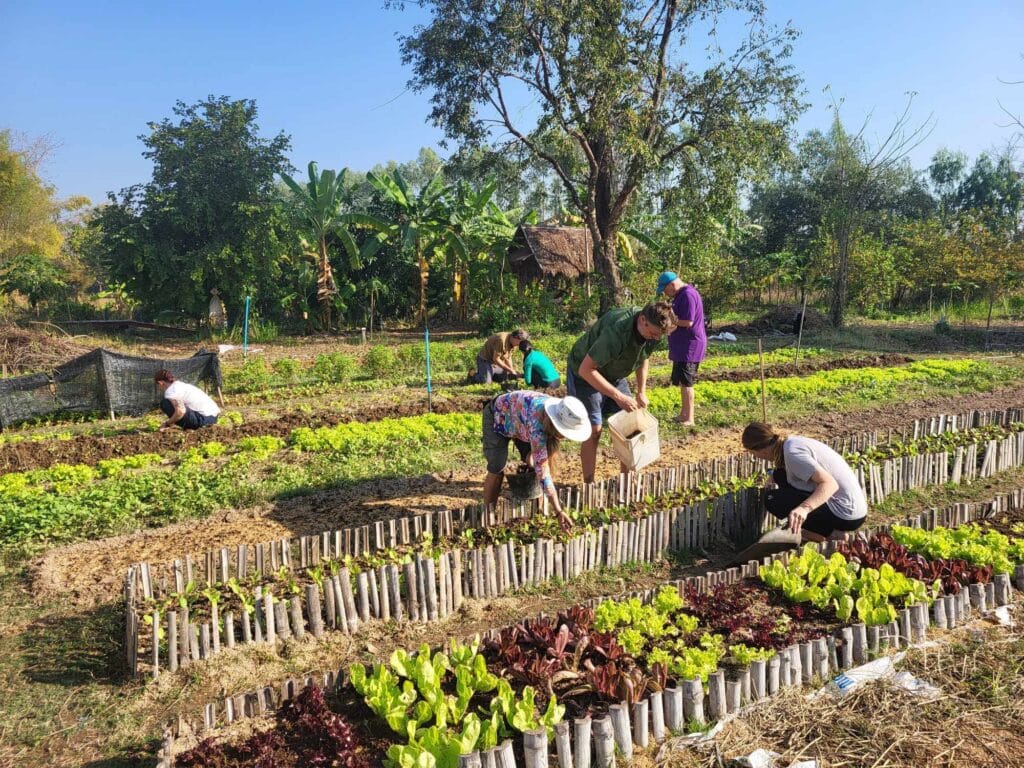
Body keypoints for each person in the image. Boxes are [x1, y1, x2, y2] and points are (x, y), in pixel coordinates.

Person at [566, 302, 676, 482]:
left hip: (614, 371)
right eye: (653, 334)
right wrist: (618, 396)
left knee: (630, 421)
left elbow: (643, 357)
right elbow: (587, 369)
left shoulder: (655, 331)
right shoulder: (617, 332)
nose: (656, 339)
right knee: (594, 429)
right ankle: (589, 483)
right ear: (642, 320)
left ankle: (626, 478)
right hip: (585, 371)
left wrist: (641, 391)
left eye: (659, 336)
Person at [482, 391, 591, 529]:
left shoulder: (559, 411)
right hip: (498, 415)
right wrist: (559, 511)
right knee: (497, 467)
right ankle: (487, 517)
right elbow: (544, 473)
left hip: (520, 419)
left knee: (535, 463)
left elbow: (540, 465)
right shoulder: (537, 426)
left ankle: (538, 512)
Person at [741, 422, 867, 542]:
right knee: (780, 475)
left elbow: (830, 484)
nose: (755, 457)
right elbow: (785, 472)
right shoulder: (791, 443)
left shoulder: (793, 454)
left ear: (761, 450)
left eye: (753, 454)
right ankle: (820, 530)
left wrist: (804, 508)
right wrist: (773, 476)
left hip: (846, 513)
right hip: (854, 507)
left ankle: (831, 535)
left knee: (772, 499)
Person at [656, 271, 706, 426]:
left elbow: (688, 322)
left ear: (672, 285)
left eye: (665, 289)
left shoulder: (688, 295)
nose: (665, 293)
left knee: (687, 382)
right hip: (683, 346)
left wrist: (670, 320)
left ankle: (689, 418)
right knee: (684, 382)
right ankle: (683, 414)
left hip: (690, 346)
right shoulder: (680, 295)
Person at [153, 369, 220, 431]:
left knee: (165, 403)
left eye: (158, 385)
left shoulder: (171, 391)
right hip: (213, 417)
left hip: (203, 420)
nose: (159, 388)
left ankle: (191, 427)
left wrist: (167, 423)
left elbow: (180, 411)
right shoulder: (180, 385)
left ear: (161, 382)